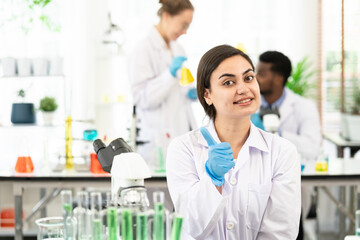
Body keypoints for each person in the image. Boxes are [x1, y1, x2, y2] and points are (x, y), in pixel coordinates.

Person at [166, 45, 301, 239]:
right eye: (228, 82)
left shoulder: (282, 152)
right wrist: (211, 180)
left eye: (248, 78)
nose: (243, 89)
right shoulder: (184, 149)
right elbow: (189, 227)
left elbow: (280, 233)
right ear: (207, 95)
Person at [253, 51, 322, 240]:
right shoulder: (249, 105)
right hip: (254, 182)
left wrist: (277, 135)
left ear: (278, 78)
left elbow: (313, 146)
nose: (255, 79)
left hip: (291, 183)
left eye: (261, 73)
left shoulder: (303, 107)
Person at [129, 0, 197, 170]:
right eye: (183, 25)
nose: (185, 31)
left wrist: (191, 92)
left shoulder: (178, 48)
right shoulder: (142, 49)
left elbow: (179, 88)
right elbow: (142, 99)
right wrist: (169, 75)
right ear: (166, 16)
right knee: (158, 194)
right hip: (157, 141)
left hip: (180, 133)